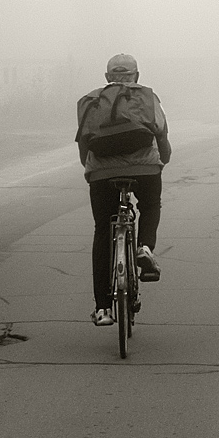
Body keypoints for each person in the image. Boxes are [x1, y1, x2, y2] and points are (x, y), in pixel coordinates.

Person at [76, 53, 172, 326]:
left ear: (107, 78)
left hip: (101, 173)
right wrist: (161, 161)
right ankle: (144, 247)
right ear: (136, 77)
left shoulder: (91, 100)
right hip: (145, 169)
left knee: (102, 231)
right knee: (151, 204)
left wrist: (92, 170)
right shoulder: (147, 97)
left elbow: (84, 142)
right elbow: (161, 134)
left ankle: (104, 308)